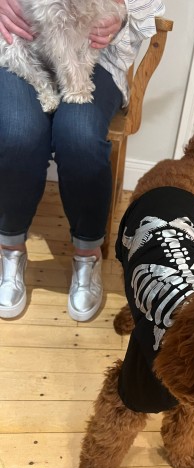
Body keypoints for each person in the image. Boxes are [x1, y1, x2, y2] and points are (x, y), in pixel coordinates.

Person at [0, 0, 165, 320]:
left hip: (94, 52)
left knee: (79, 135)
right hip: (19, 41)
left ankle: (87, 254)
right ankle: (10, 250)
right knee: (19, 133)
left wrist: (123, 14)